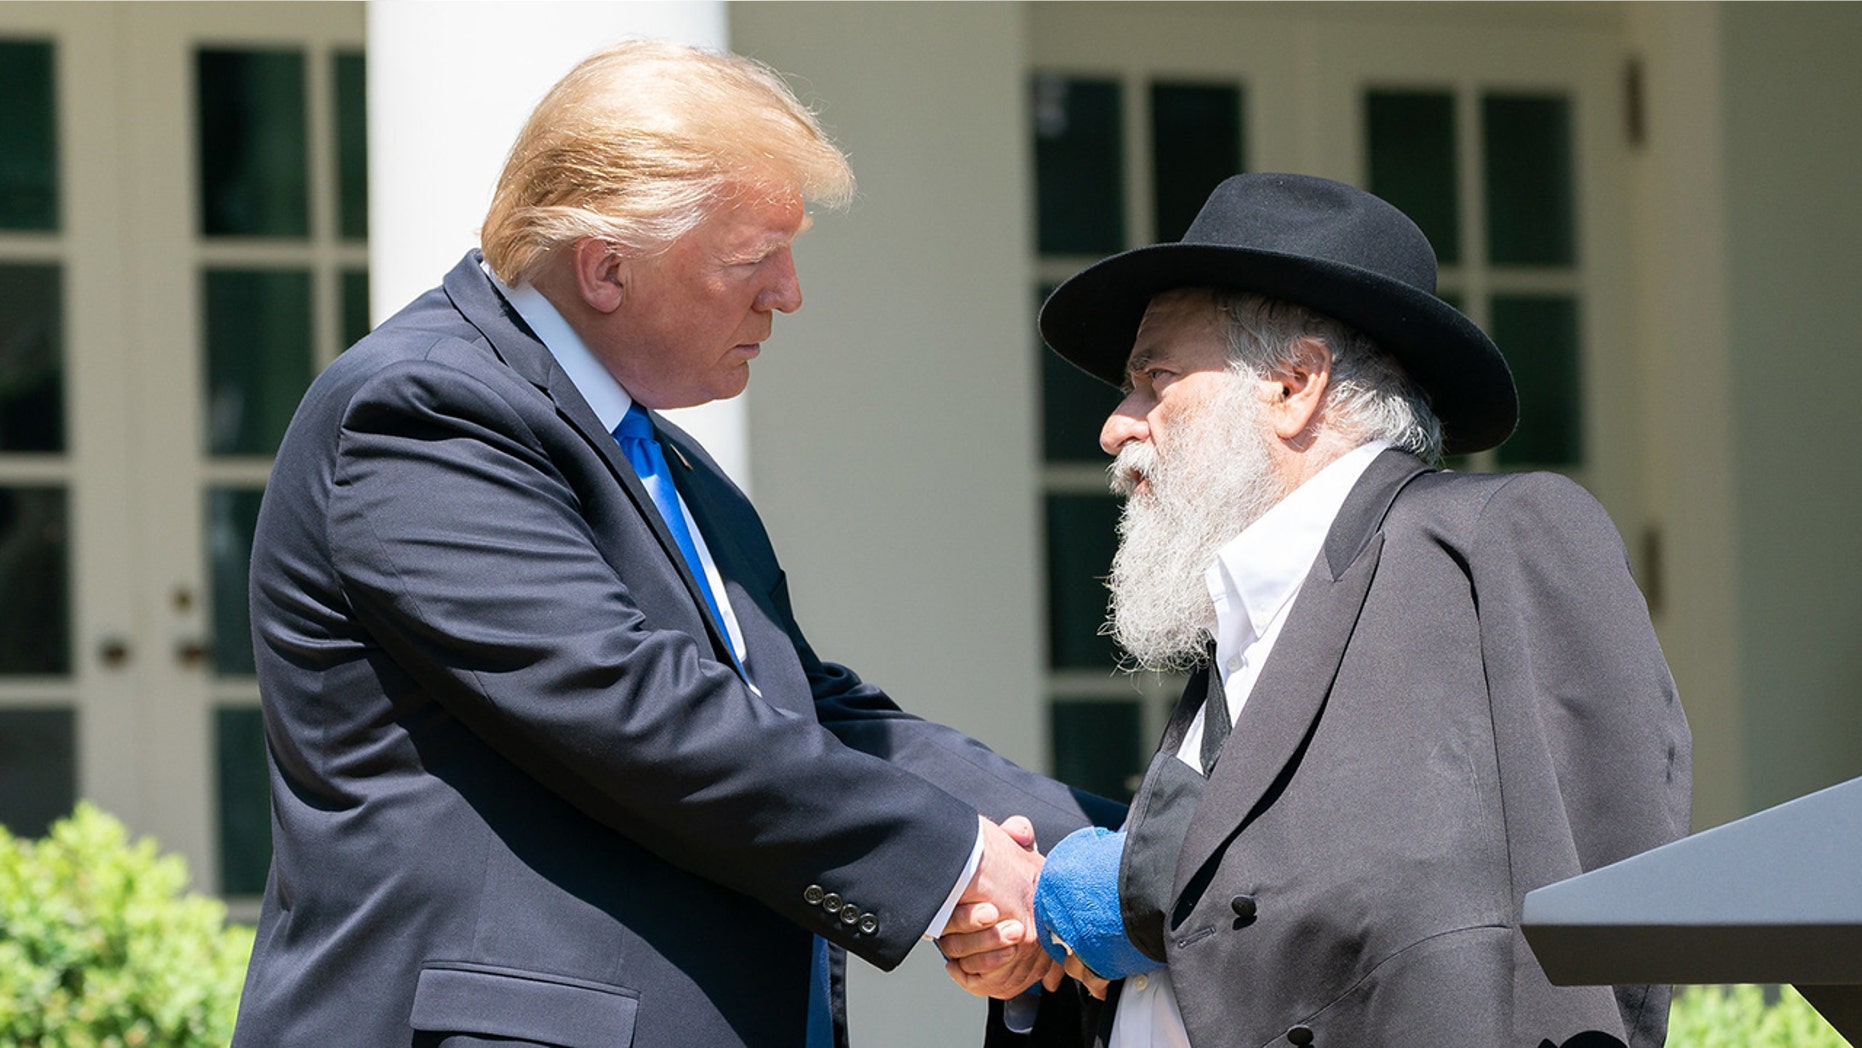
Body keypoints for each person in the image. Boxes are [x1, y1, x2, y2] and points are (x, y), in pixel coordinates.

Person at [231, 40, 1117, 1048]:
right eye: (750, 259)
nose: (787, 293)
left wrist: (1125, 853)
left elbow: (816, 714)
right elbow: (633, 705)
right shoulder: (423, 410)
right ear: (606, 267)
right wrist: (961, 863)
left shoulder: (659, 457)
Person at [940, 173, 1691, 1047]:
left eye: (1155, 378)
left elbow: (1595, 915)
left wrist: (1125, 889)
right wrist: (1049, 945)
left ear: (1294, 384)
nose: (1117, 426)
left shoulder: (1487, 540)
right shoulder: (1242, 618)